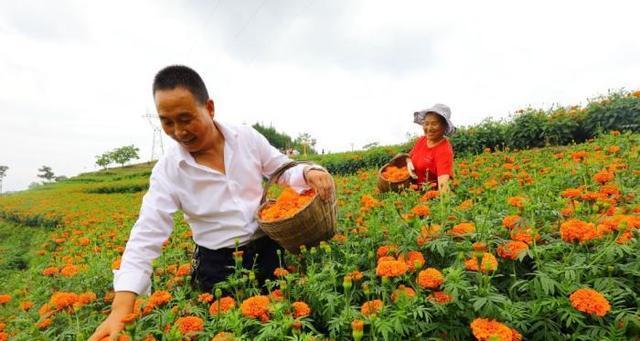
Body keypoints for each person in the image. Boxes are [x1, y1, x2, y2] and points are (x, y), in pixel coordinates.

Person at [89, 65, 334, 340]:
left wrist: (307, 171)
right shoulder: (169, 170)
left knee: (282, 325)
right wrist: (120, 309)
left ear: (209, 107)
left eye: (185, 118)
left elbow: (282, 168)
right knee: (231, 331)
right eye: (167, 122)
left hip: (268, 250)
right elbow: (145, 236)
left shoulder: (246, 138)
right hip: (216, 266)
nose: (178, 131)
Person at [407, 103, 455, 193]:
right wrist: (408, 162)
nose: (429, 128)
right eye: (426, 123)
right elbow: (408, 156)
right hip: (411, 192)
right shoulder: (422, 140)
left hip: (429, 197)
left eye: (434, 124)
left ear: (444, 126)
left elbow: (443, 187)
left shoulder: (444, 150)